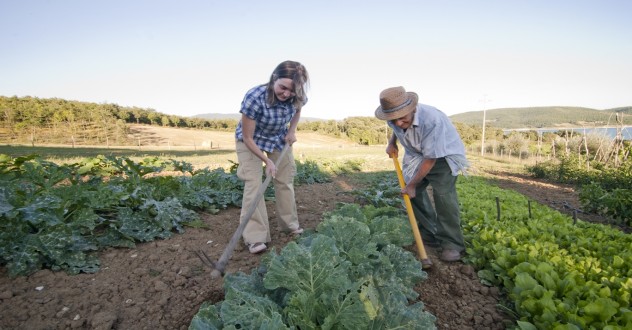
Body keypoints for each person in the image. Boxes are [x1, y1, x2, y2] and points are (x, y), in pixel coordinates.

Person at [374, 86, 470, 263]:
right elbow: (397, 128)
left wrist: (411, 184)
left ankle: (452, 243)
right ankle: (430, 232)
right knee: (413, 195)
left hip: (442, 157)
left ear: (412, 109)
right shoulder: (394, 117)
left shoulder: (432, 120)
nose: (398, 124)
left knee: (444, 197)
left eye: (402, 118)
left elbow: (430, 159)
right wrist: (392, 143)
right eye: (392, 120)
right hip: (416, 155)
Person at [234, 60, 309, 254]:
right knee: (254, 183)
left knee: (285, 179)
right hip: (250, 140)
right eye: (283, 87)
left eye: (292, 91)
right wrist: (266, 161)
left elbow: (298, 109)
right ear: (274, 78)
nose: (286, 94)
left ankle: (289, 225)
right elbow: (248, 138)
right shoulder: (255, 97)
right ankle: (255, 237)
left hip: (277, 138)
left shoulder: (297, 96)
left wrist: (291, 131)